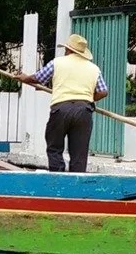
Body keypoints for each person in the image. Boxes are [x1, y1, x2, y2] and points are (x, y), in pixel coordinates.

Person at [19, 33, 108, 172]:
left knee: (54, 147)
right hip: (84, 110)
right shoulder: (94, 68)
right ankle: (77, 181)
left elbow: (38, 78)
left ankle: (58, 177)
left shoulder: (57, 62)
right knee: (79, 153)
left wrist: (25, 78)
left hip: (61, 109)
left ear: (69, 49)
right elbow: (103, 91)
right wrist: (88, 99)